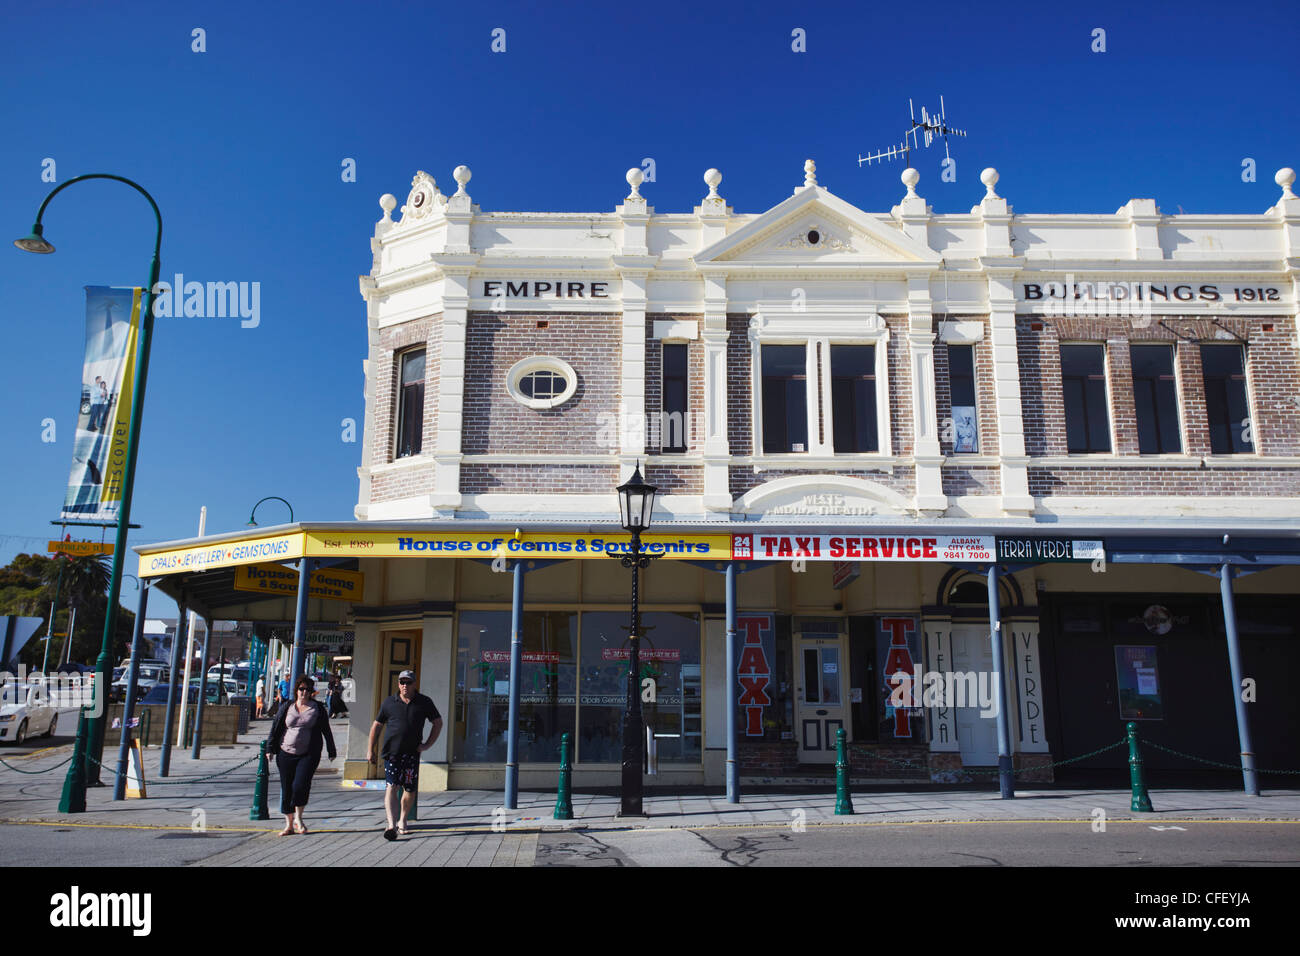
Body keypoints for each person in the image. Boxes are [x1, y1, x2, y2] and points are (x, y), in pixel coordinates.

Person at [369, 669, 441, 841]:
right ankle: (391, 824)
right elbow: (377, 726)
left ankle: (403, 820)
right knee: (391, 786)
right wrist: (370, 749)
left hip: (412, 753)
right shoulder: (389, 702)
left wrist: (427, 745)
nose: (404, 686)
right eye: (402, 682)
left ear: (414, 684)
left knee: (409, 789)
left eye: (408, 682)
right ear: (398, 684)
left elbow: (437, 723)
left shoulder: (424, 702)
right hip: (392, 753)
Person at [266, 675, 336, 836]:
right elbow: (276, 727)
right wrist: (270, 748)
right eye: (301, 689)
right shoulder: (287, 707)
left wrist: (331, 751)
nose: (304, 692)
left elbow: (326, 730)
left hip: (308, 754)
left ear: (311, 692)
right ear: (296, 690)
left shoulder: (317, 708)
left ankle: (299, 818)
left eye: (307, 690)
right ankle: (289, 824)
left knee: (300, 785)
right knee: (287, 787)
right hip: (285, 752)